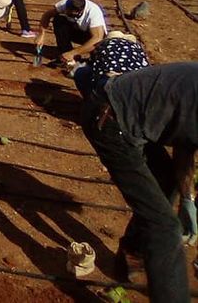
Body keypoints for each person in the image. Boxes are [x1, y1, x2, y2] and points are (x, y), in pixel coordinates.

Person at [81, 62, 198, 302]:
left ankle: (131, 253)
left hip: (131, 114)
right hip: (109, 119)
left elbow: (184, 147)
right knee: (165, 228)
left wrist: (187, 198)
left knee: (167, 181)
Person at [72, 31, 149, 99]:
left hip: (112, 86)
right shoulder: (138, 50)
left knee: (81, 72)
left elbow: (96, 71)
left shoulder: (105, 46)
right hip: (139, 89)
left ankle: (93, 104)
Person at [35, 0, 107, 66]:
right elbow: (47, 15)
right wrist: (41, 34)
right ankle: (66, 54)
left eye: (69, 12)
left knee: (98, 57)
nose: (66, 12)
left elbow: (97, 38)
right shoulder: (65, 4)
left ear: (79, 11)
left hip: (90, 37)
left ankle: (73, 55)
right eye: (66, 10)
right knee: (58, 19)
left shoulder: (93, 12)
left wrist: (73, 53)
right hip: (76, 30)